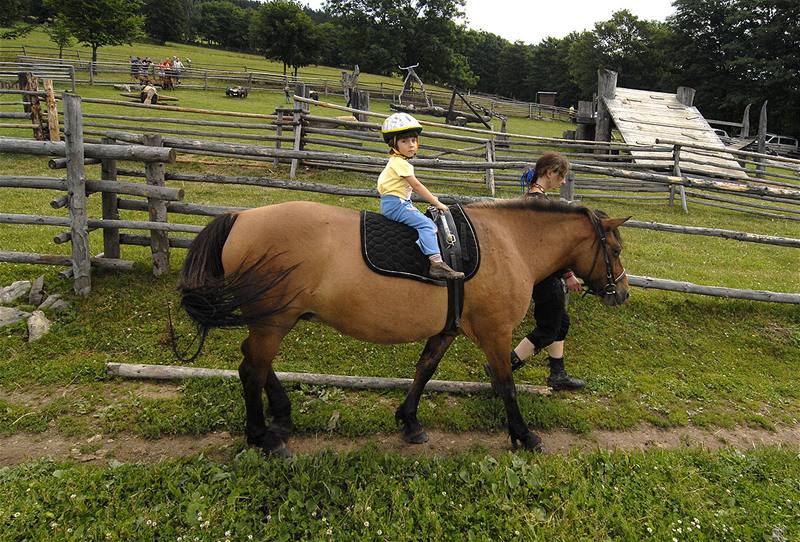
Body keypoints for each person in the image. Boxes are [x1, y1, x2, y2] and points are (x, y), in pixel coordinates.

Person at [487, 151, 586, 391]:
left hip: (535, 274)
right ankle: (503, 367)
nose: (563, 182)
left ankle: (557, 373)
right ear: (550, 173)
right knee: (548, 329)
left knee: (561, 322)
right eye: (561, 176)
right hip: (545, 277)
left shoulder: (528, 199)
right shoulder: (541, 206)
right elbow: (551, 250)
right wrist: (569, 275)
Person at [378, 113, 464, 280]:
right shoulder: (400, 163)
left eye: (413, 141)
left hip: (394, 203)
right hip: (397, 204)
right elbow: (416, 186)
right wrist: (437, 203)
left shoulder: (395, 161)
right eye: (404, 141)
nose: (411, 145)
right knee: (428, 226)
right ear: (394, 144)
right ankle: (436, 263)